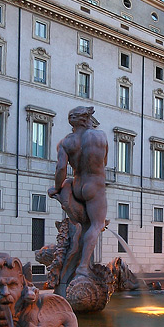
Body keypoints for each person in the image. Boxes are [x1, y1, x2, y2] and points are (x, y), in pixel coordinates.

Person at [48, 106, 108, 283]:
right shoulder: (100, 136)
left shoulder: (66, 142)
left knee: (67, 183)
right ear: (87, 118)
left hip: (77, 184)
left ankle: (73, 262)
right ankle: (82, 267)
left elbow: (61, 169)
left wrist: (56, 187)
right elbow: (103, 162)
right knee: (97, 225)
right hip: (94, 185)